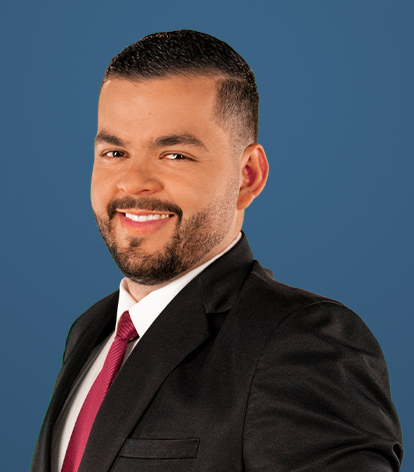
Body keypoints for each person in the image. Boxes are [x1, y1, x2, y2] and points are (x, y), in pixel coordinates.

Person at [30, 30, 403, 472]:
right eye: (114, 152)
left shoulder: (300, 344)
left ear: (248, 176)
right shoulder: (91, 332)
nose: (133, 182)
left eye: (175, 155)